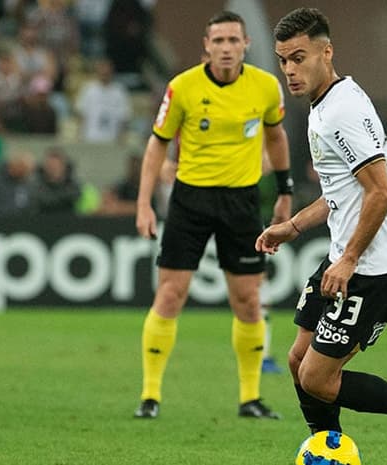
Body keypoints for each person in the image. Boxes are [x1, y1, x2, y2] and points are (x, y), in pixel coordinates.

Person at [258, 8, 387, 465]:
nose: (289, 70)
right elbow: (341, 194)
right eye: (283, 60)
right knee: (299, 361)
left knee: (316, 377)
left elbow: (382, 192)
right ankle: (328, 449)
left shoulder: (342, 112)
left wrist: (348, 259)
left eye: (299, 57)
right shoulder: (326, 105)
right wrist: (293, 226)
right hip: (346, 258)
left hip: (372, 269)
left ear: (325, 52)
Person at [132, 11, 292, 420]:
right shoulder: (182, 87)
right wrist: (144, 203)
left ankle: (250, 398)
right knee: (170, 294)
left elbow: (276, 137)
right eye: (218, 41)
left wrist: (285, 193)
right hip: (190, 201)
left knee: (248, 300)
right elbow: (157, 146)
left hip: (240, 202)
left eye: (232, 41)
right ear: (206, 45)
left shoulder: (265, 87)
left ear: (245, 45)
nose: (225, 48)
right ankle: (150, 395)